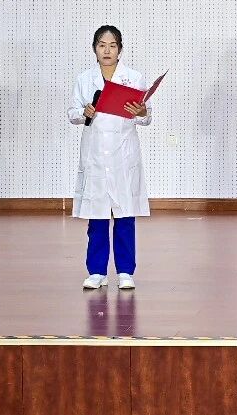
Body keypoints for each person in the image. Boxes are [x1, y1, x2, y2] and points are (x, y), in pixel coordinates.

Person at [67, 25, 152, 290]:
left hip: (123, 156)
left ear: (120, 49)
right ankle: (96, 272)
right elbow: (72, 113)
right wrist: (84, 112)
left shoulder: (134, 78)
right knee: (97, 217)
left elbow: (146, 117)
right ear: (94, 49)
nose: (107, 50)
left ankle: (126, 271)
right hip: (96, 155)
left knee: (125, 216)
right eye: (102, 45)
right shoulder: (85, 79)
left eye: (112, 45)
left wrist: (141, 112)